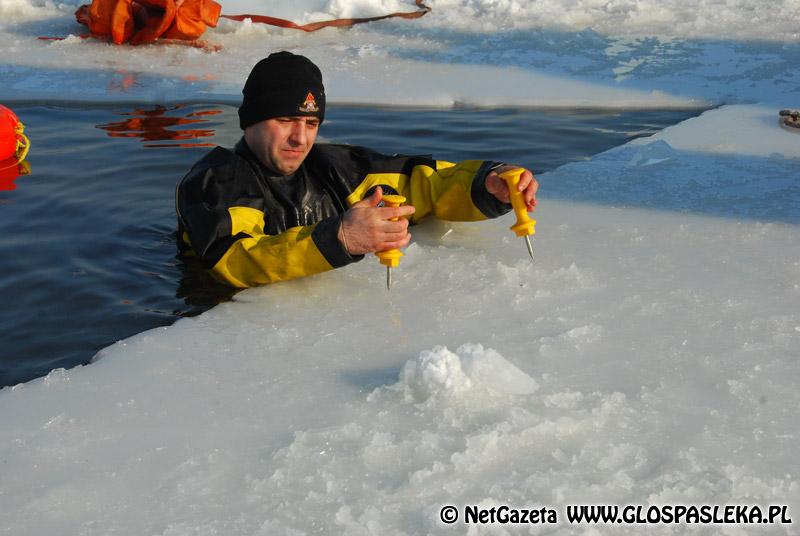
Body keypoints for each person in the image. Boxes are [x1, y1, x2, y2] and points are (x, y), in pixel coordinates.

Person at [176, 51, 538, 288]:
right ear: (250, 122)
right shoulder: (216, 179)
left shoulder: (335, 168)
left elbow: (425, 183)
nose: (299, 138)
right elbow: (235, 259)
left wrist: (488, 182)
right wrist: (341, 239)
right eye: (286, 120)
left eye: (311, 123)